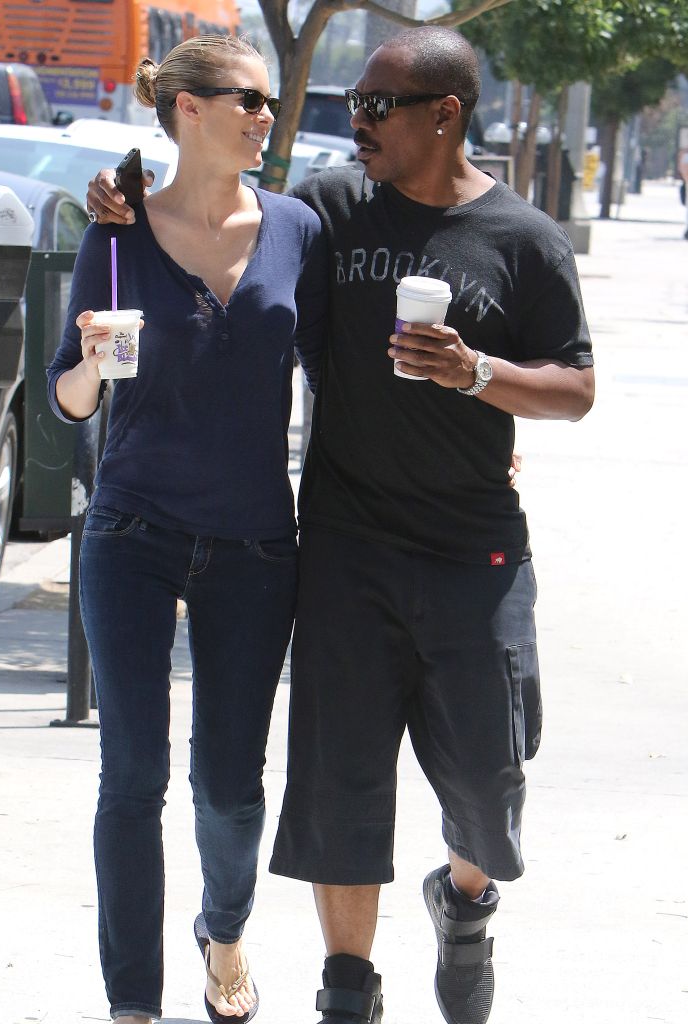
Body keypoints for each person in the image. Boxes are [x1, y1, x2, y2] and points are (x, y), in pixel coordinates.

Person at [87, 26, 594, 1024]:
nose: (351, 123)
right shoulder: (329, 211)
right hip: (344, 546)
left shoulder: (525, 239)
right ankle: (346, 988)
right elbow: (234, 242)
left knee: (488, 789)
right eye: (352, 106)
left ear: (442, 115)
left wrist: (480, 375)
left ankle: (463, 896)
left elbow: (575, 387)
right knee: (339, 791)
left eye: (375, 108)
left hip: (473, 549)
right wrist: (124, 207)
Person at [47, 35, 326, 1024]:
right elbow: (69, 401)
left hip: (254, 537)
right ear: (188, 111)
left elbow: (338, 371)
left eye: (267, 99)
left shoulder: (297, 226)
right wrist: (89, 362)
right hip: (132, 523)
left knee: (228, 786)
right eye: (245, 98)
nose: (264, 112)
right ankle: (133, 1003)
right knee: (131, 772)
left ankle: (225, 925)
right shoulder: (117, 230)